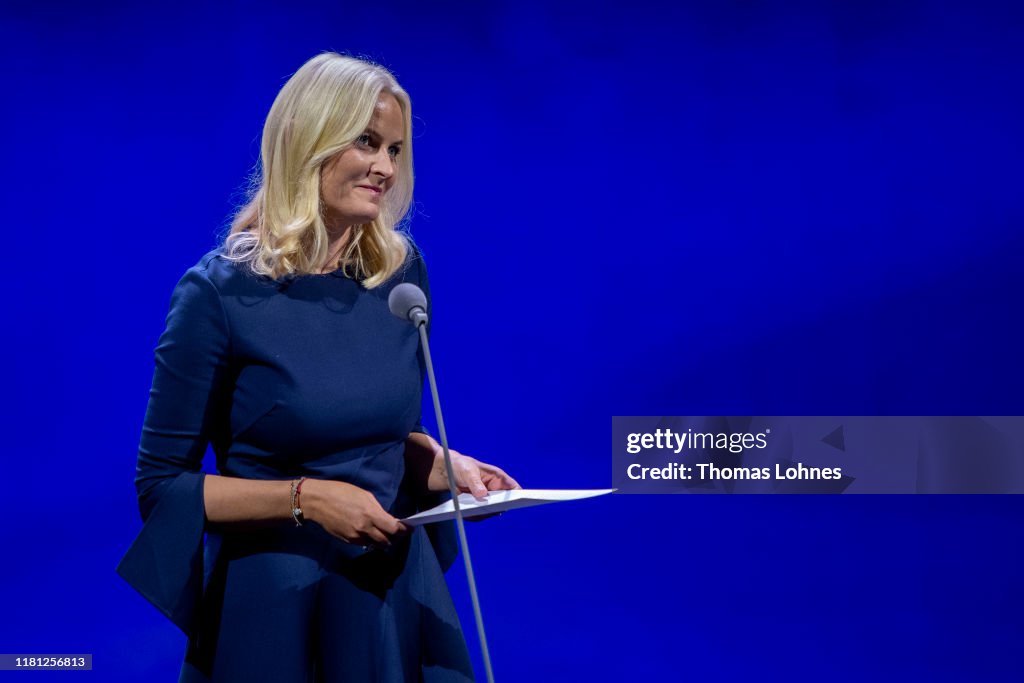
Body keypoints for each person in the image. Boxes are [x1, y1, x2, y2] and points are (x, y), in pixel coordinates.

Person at [117, 52, 519, 682]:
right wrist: (306, 499)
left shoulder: (399, 277)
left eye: (395, 148)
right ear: (311, 140)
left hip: (390, 590)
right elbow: (162, 485)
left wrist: (445, 468)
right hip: (278, 601)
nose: (385, 167)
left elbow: (389, 435)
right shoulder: (219, 295)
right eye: (366, 143)